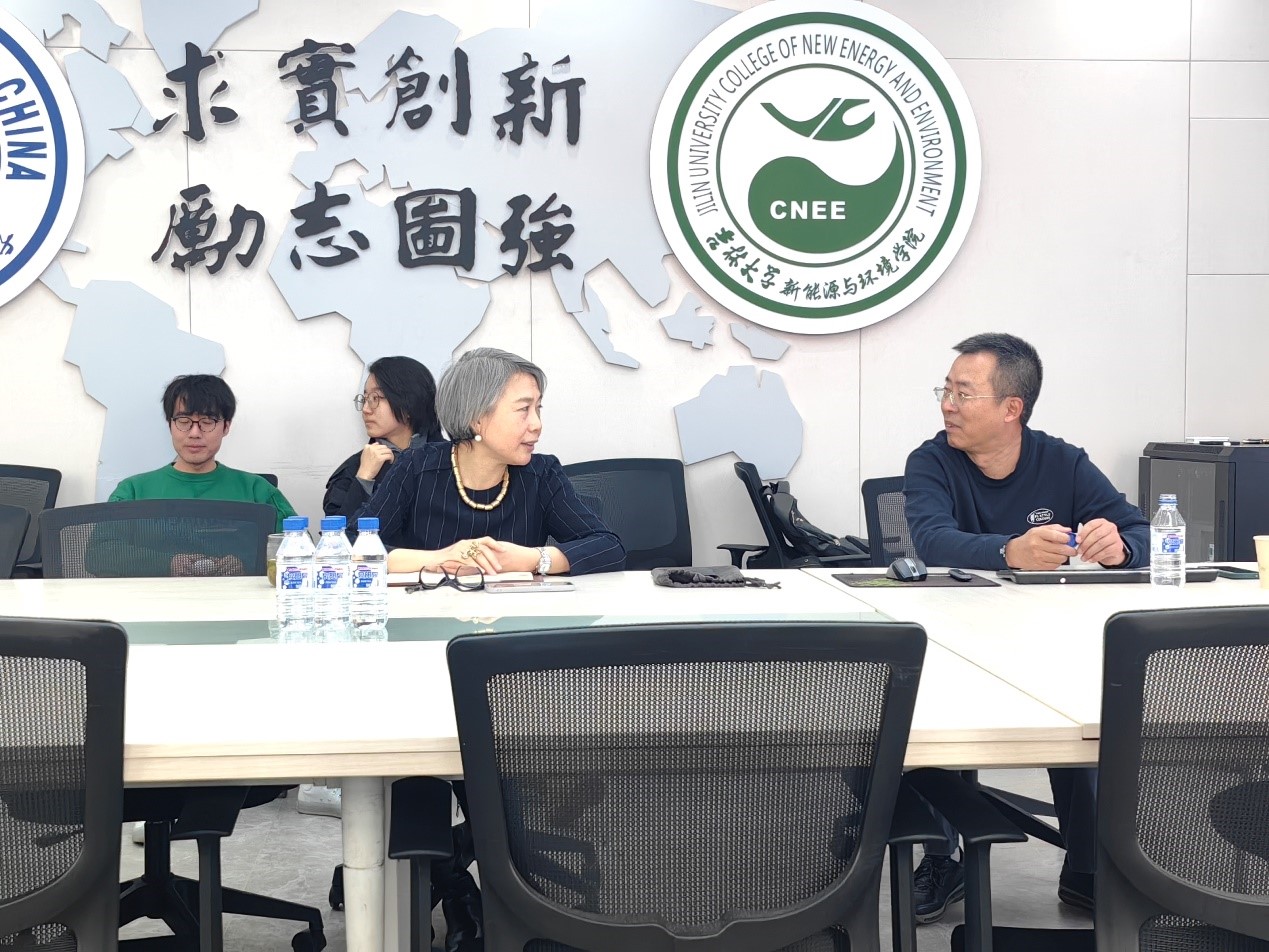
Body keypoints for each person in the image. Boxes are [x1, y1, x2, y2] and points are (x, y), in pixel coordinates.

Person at [903, 332, 1148, 922]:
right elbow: (931, 539)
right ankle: (941, 858)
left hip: (1047, 639)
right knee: (925, 704)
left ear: (1012, 407)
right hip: (954, 638)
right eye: (945, 391)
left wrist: (1118, 547)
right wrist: (1008, 550)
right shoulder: (931, 461)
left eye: (963, 393)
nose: (947, 405)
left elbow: (1138, 530)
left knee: (1085, 703)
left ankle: (1086, 866)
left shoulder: (1064, 461)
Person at [359, 347, 626, 576]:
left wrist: (534, 559)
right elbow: (352, 545)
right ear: (476, 418)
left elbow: (609, 547)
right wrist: (439, 558)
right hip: (431, 614)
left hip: (516, 617)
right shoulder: (417, 467)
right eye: (523, 409)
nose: (537, 424)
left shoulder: (541, 474)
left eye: (538, 408)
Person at [86, 374, 295, 577]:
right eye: (183, 421)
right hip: (155, 600)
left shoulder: (257, 490)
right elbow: (99, 554)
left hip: (237, 600)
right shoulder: (133, 491)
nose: (195, 433)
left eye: (208, 421)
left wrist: (245, 563)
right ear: (170, 425)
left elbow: (297, 547)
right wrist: (167, 564)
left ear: (226, 426)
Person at [323, 355, 442, 532]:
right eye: (365, 398)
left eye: (375, 398)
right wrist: (363, 479)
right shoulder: (355, 467)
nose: (366, 409)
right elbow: (335, 537)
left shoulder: (449, 458)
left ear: (409, 403)